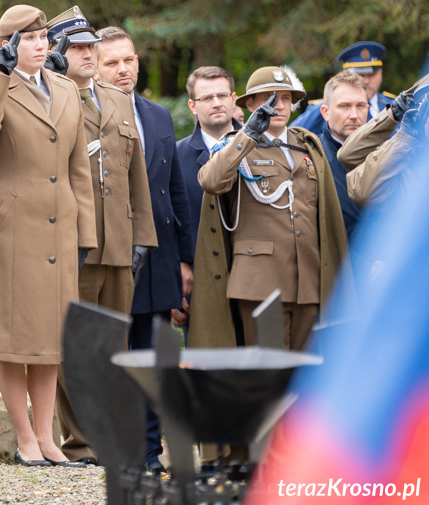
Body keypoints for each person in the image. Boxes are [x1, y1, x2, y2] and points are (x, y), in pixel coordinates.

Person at [0, 4, 97, 467]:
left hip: (59, 226)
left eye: (42, 37)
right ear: (6, 46)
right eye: (29, 38)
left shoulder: (64, 88)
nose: (40, 45)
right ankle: (24, 439)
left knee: (50, 339)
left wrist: (85, 234)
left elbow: (79, 166)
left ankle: (47, 436)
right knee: (12, 337)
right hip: (11, 227)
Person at [44, 6, 157, 466]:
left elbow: (135, 176)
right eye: (76, 48)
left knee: (115, 346)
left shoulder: (116, 98)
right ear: (57, 53)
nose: (87, 54)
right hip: (74, 243)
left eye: (91, 46)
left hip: (118, 242)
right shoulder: (51, 96)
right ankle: (83, 442)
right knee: (74, 348)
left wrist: (141, 237)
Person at [189, 66, 349, 352]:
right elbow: (211, 181)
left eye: (286, 98)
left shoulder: (307, 146)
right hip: (259, 283)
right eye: (270, 98)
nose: (280, 105)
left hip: (308, 280)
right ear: (251, 105)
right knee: (267, 376)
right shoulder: (235, 146)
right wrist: (248, 134)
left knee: (304, 375)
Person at [95, 26, 193, 473]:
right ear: (95, 66)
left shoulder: (157, 116)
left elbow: (175, 192)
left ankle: (150, 452)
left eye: (128, 60)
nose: (122, 69)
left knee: (153, 356)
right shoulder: (86, 112)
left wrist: (185, 259)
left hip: (159, 254)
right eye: (112, 62)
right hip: (109, 251)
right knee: (115, 354)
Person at [176, 66, 243, 256]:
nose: (216, 103)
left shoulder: (259, 148)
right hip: (200, 265)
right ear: (192, 106)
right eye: (206, 98)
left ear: (233, 98)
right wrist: (183, 263)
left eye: (222, 95)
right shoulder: (176, 156)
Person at [291, 41, 395, 134]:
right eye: (361, 75)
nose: (366, 81)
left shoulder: (394, 106)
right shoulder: (326, 108)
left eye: (372, 75)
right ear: (345, 75)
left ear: (381, 74)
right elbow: (293, 134)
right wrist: (332, 101)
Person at [316, 71, 371, 244]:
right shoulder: (312, 157)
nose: (354, 115)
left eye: (360, 106)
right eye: (344, 106)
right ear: (325, 112)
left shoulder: (382, 153)